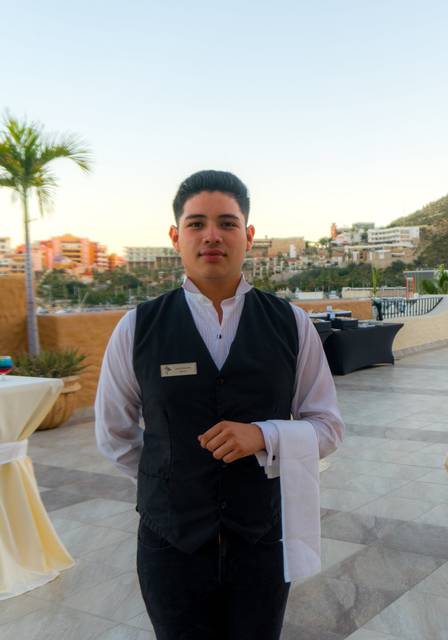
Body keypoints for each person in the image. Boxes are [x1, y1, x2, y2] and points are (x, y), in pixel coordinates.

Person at [95, 170, 343, 640]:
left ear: (248, 237)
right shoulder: (136, 328)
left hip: (262, 540)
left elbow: (328, 425)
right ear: (176, 237)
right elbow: (114, 435)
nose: (212, 235)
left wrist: (265, 436)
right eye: (196, 224)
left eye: (227, 223)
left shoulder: (291, 324)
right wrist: (171, 479)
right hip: (170, 545)